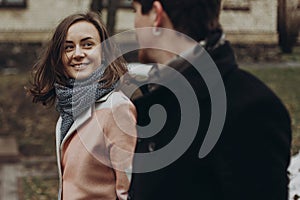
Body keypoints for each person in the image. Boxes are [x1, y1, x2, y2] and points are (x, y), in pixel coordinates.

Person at [125, 0, 292, 200]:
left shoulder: (251, 110)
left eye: (135, 11)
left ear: (155, 15)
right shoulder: (158, 97)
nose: (134, 24)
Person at [28, 12, 137, 200]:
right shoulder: (67, 110)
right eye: (68, 47)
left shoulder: (116, 108)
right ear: (59, 58)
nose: (77, 54)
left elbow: (128, 190)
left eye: (88, 44)